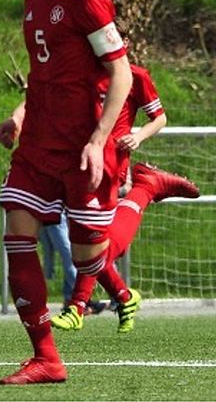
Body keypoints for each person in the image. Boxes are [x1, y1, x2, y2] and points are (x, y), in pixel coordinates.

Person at [0, 0, 135, 385]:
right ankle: (47, 358)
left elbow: (120, 73)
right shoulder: (34, 0)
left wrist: (99, 140)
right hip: (37, 144)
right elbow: (43, 77)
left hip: (82, 149)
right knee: (16, 227)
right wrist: (19, 114)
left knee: (88, 257)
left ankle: (143, 192)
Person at [49, 31, 200, 332]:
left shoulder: (133, 76)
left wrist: (138, 136)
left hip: (110, 169)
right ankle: (119, 295)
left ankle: (80, 305)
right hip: (80, 167)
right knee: (90, 246)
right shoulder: (82, 77)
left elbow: (159, 118)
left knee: (91, 246)